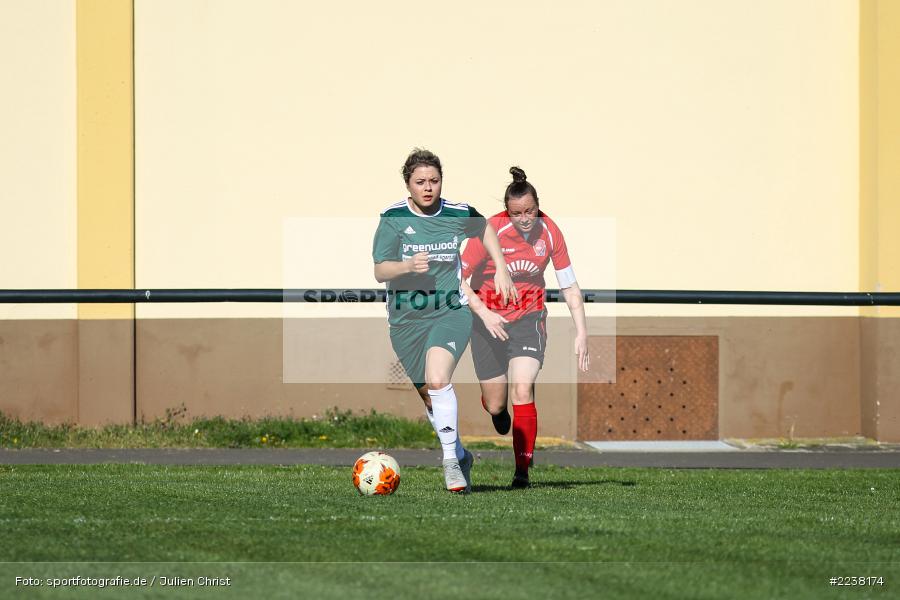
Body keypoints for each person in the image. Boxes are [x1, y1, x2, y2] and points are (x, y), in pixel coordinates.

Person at [372, 149, 516, 493]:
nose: (428, 188)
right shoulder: (392, 217)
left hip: (449, 310)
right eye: (420, 182)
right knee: (429, 397)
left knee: (439, 380)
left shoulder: (456, 212)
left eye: (434, 181)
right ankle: (462, 455)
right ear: (408, 184)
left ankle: (450, 461)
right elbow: (380, 271)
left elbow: (486, 229)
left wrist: (502, 267)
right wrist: (406, 266)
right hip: (406, 321)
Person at [460, 166, 589, 488]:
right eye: (517, 213)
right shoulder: (491, 230)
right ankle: (496, 409)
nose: (525, 218)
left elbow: (570, 286)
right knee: (497, 403)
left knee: (523, 387)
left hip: (528, 318)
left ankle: (522, 472)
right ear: (508, 211)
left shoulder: (550, 232)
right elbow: (455, 279)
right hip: (487, 321)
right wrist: (484, 313)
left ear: (538, 206)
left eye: (530, 210)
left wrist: (582, 332)